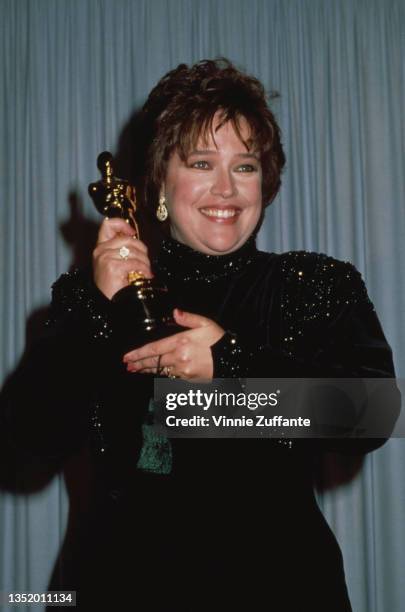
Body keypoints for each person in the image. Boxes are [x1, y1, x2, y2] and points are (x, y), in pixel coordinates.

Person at [2, 59, 400, 611]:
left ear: (267, 181)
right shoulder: (101, 295)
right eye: (201, 162)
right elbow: (30, 433)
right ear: (160, 180)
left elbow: (373, 415)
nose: (225, 189)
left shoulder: (311, 285)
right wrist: (97, 304)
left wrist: (229, 368)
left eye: (245, 166)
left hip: (282, 590)